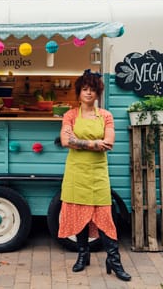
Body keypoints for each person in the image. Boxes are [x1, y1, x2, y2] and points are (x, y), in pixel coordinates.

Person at [58, 69, 131, 282]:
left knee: (105, 218)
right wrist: (93, 143)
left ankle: (114, 261)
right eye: (84, 89)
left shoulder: (106, 116)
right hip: (76, 173)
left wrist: (80, 142)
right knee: (79, 216)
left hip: (98, 175)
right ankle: (83, 255)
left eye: (92, 89)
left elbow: (108, 143)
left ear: (98, 93)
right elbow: (65, 141)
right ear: (79, 92)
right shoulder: (70, 115)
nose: (88, 93)